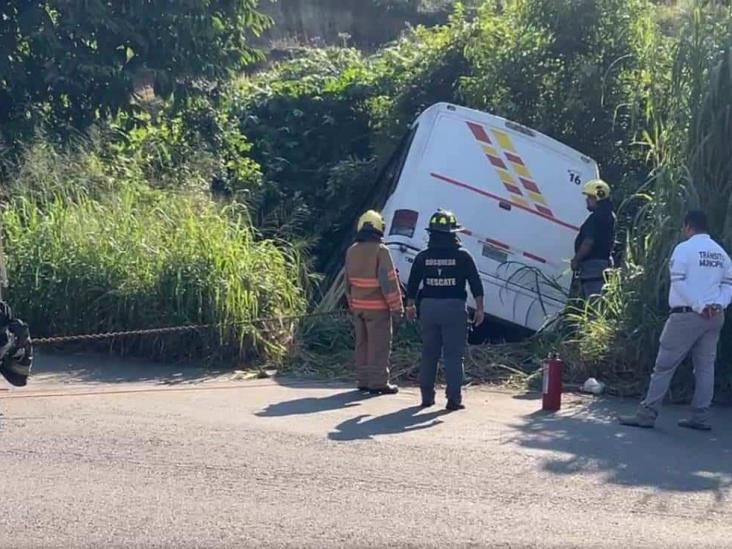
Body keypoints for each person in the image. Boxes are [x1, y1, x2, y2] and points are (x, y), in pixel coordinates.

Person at [619, 211, 732, 431]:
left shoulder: (684, 249)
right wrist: (718, 305)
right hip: (715, 317)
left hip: (686, 315)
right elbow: (728, 286)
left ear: (688, 227)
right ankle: (700, 417)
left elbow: (678, 281)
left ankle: (647, 414)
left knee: (664, 366)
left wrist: (699, 305)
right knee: (705, 368)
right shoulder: (721, 254)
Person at [405, 210, 484, 411]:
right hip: (454, 308)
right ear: (453, 233)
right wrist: (480, 308)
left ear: (431, 233)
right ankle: (453, 399)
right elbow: (475, 283)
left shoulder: (423, 257)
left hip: (429, 308)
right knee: (453, 355)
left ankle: (426, 397)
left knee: (429, 353)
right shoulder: (463, 256)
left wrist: (410, 305)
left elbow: (413, 283)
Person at [344, 210, 404, 395]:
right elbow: (388, 281)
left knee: (362, 344)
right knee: (379, 345)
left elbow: (347, 281)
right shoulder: (381, 250)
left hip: (358, 308)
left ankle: (363, 380)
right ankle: (378, 382)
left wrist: (352, 304)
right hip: (378, 309)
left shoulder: (352, 250)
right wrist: (397, 307)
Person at [571, 179, 616, 298]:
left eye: (590, 197)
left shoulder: (595, 218)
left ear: (598, 198)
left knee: (593, 302)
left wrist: (576, 259)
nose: (587, 200)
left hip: (593, 268)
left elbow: (588, 242)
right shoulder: (610, 217)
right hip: (603, 265)